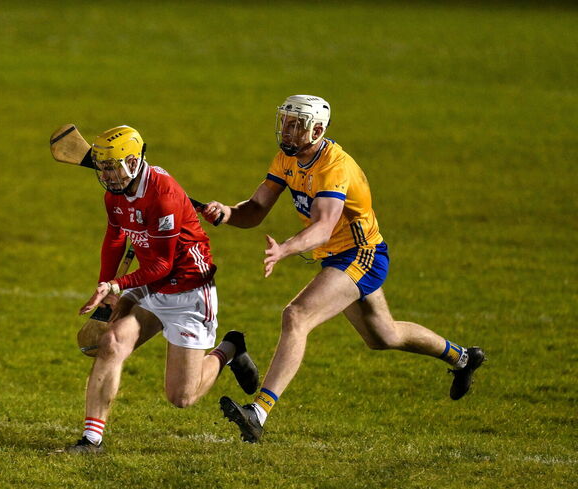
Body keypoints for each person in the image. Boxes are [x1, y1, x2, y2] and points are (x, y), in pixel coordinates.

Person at [200, 95, 485, 443]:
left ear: (317, 129)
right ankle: (463, 358)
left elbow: (323, 226)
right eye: (285, 122)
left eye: (295, 125)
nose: (286, 131)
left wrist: (285, 249)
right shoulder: (287, 158)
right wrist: (227, 213)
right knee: (384, 336)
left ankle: (258, 413)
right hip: (336, 256)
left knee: (296, 316)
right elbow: (256, 209)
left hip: (361, 254)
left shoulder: (334, 167)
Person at [61, 125, 260, 454]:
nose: (105, 176)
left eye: (111, 167)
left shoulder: (163, 194)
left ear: (133, 162)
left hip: (188, 289)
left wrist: (117, 284)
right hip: (150, 284)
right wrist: (106, 287)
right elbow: (115, 238)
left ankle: (230, 349)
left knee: (181, 396)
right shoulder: (115, 192)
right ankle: (91, 440)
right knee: (112, 343)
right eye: (102, 167)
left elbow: (163, 265)